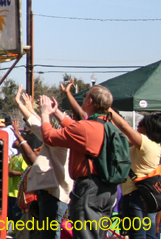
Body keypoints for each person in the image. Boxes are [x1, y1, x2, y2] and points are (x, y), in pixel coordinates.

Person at [39, 86, 120, 239]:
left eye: (86, 95)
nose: (84, 97)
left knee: (85, 235)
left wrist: (44, 114)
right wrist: (56, 112)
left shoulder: (85, 127)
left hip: (89, 189)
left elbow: (49, 136)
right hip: (108, 190)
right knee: (97, 234)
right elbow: (75, 129)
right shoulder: (108, 126)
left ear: (90, 101)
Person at [15, 87, 73, 239]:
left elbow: (39, 127)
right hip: (57, 193)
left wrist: (21, 106)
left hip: (54, 194)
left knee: (50, 234)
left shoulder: (60, 142)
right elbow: (41, 126)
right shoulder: (68, 139)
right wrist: (31, 109)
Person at [110, 110, 161, 239]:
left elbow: (124, 127)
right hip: (147, 198)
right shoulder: (154, 146)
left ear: (149, 129)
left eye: (140, 125)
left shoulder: (147, 146)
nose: (137, 128)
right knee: (148, 236)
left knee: (137, 235)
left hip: (135, 197)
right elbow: (122, 132)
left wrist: (108, 109)